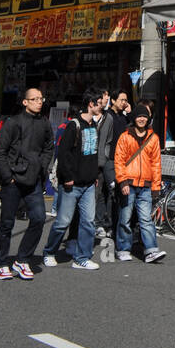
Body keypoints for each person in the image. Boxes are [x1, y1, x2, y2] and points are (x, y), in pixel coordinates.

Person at [0, 88, 54, 280]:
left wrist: (41, 169)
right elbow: (0, 151)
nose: (39, 102)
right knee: (7, 223)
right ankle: (2, 263)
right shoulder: (13, 122)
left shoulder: (44, 123)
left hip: (33, 181)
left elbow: (48, 148)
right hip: (13, 181)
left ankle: (22, 259)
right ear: (25, 102)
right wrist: (7, 176)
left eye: (41, 98)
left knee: (38, 218)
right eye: (34, 99)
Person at [42, 89, 104, 272]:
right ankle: (49, 252)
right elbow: (63, 154)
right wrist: (67, 177)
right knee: (63, 221)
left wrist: (94, 176)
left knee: (88, 222)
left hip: (88, 184)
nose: (102, 106)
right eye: (99, 103)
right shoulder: (74, 125)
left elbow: (93, 155)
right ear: (91, 104)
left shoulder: (94, 126)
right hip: (71, 184)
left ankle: (82, 257)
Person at [114, 101, 166, 263]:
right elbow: (119, 160)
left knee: (145, 219)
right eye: (139, 116)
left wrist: (156, 187)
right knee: (125, 217)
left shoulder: (154, 138)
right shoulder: (125, 137)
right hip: (128, 183)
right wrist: (122, 182)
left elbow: (156, 164)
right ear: (134, 118)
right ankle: (123, 248)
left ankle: (151, 250)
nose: (142, 119)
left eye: (145, 116)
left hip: (146, 185)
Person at [94, 86, 115, 239]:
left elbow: (108, 140)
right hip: (89, 162)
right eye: (105, 97)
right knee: (95, 194)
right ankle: (96, 223)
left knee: (108, 192)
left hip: (105, 161)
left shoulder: (109, 118)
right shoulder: (87, 117)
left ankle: (104, 223)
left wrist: (105, 155)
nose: (106, 100)